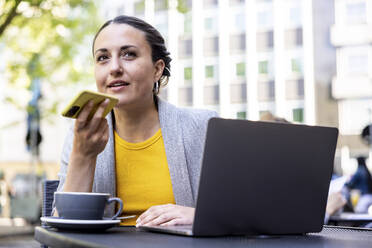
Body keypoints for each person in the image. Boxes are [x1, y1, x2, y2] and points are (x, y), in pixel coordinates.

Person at [54, 15, 217, 226]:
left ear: (157, 69)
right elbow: (61, 229)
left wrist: (198, 216)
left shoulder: (205, 127)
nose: (114, 68)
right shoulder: (83, 133)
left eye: (129, 54)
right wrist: (83, 156)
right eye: (103, 58)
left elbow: (245, 210)